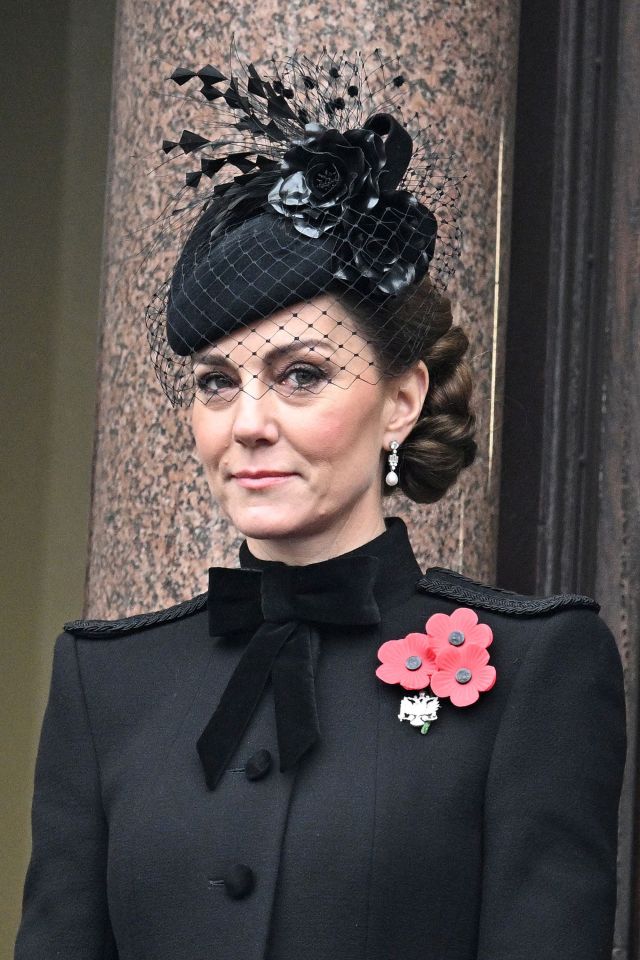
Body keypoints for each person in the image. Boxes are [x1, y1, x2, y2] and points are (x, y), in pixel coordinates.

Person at [15, 44, 626, 960]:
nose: (248, 424)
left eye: (300, 376)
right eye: (218, 384)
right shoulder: (106, 683)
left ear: (402, 398)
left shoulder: (539, 670)